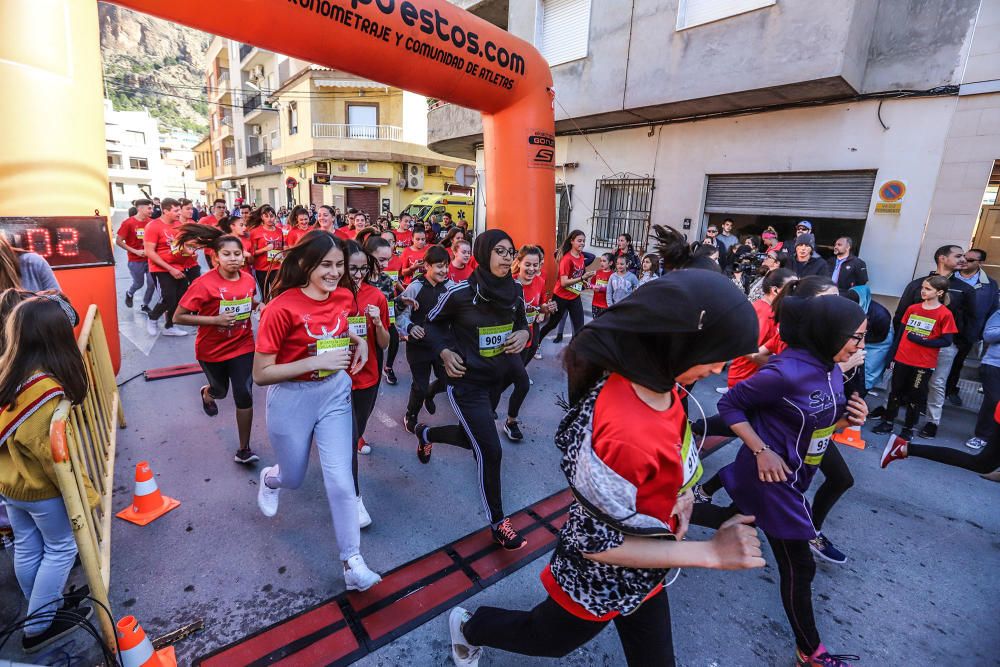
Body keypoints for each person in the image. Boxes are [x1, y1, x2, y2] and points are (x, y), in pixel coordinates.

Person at [447, 269, 765, 667]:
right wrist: (711, 553)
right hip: (597, 578)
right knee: (547, 639)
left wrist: (681, 495)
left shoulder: (661, 386)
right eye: (717, 355)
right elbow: (600, 546)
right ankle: (468, 627)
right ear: (679, 341)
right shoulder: (623, 428)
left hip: (649, 560)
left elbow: (670, 455)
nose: (720, 369)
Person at [692, 294, 868, 667]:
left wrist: (848, 420)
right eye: (856, 337)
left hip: (796, 473)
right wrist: (760, 450)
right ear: (829, 332)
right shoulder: (784, 371)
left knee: (735, 520)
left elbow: (816, 424)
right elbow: (729, 406)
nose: (860, 347)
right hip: (773, 480)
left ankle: (656, 511)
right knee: (799, 566)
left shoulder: (831, 368)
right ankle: (811, 652)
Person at [252, 231, 381, 592]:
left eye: (339, 265)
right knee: (294, 476)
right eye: (326, 265)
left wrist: (360, 344)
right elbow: (261, 374)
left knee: (341, 480)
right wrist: (315, 360)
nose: (334, 273)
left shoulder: (343, 297)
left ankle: (351, 561)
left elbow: (342, 329)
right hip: (291, 398)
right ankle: (270, 479)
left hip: (335, 393)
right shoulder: (281, 308)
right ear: (306, 264)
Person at [415, 230, 532, 550]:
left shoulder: (515, 292)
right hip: (466, 383)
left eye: (511, 252)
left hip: (496, 381)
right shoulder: (460, 293)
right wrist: (444, 351)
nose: (507, 258)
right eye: (500, 251)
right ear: (483, 253)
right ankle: (498, 523)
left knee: (471, 440)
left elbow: (523, 323)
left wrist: (523, 334)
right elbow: (431, 323)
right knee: (491, 451)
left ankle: (425, 435)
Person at [0, 292, 97, 652]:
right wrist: (85, 496)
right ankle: (39, 627)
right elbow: (50, 455)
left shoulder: (9, 368)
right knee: (61, 548)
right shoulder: (44, 389)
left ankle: (42, 608)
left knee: (28, 545)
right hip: (40, 488)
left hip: (11, 484)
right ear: (55, 337)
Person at [173, 225, 260, 464]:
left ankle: (244, 449)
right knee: (221, 392)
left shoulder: (249, 279)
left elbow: (248, 300)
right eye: (227, 254)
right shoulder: (203, 284)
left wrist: (258, 307)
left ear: (244, 256)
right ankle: (207, 393)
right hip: (211, 350)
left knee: (244, 393)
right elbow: (178, 317)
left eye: (237, 254)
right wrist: (215, 320)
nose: (233, 258)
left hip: (243, 344)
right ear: (215, 258)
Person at [891, 245, 976, 438]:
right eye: (958, 255)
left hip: (944, 346)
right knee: (898, 379)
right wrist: (901, 341)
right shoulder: (918, 284)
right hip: (911, 344)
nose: (964, 259)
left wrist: (960, 344)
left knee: (937, 383)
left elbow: (971, 319)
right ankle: (890, 415)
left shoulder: (965, 290)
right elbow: (901, 314)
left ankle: (932, 422)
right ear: (942, 258)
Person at [873, 275, 957, 440]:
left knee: (915, 395)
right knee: (895, 392)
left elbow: (947, 341)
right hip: (903, 358)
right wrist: (892, 356)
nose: (923, 291)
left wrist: (922, 341)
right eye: (922, 288)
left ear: (939, 292)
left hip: (923, 363)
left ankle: (908, 427)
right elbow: (901, 334)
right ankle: (888, 421)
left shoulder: (945, 314)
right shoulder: (912, 308)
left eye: (928, 289)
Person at [343, 240, 389, 524]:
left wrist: (380, 324)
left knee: (354, 433)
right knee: (347, 442)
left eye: (363, 269)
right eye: (352, 269)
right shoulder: (329, 296)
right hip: (335, 380)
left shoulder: (377, 297)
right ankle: (355, 500)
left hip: (368, 378)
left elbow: (383, 343)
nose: (358, 275)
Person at [397, 246, 452, 433]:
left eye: (446, 266)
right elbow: (399, 316)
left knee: (448, 381)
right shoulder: (415, 287)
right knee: (419, 386)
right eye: (439, 266)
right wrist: (411, 327)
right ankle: (410, 415)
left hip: (442, 346)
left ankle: (430, 393)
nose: (444, 271)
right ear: (427, 266)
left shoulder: (450, 287)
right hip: (418, 346)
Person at [724, 269, 796, 389]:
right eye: (792, 287)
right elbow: (749, 351)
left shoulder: (770, 309)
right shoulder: (764, 312)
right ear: (775, 290)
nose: (796, 291)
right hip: (747, 379)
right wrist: (782, 365)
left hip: (753, 378)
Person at [946, 247, 998, 407]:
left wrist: (982, 332)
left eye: (970, 260)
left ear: (981, 263)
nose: (964, 262)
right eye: (963, 258)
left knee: (957, 362)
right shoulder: (947, 277)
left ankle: (951, 389)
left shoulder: (989, 284)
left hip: (968, 331)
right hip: (944, 328)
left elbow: (992, 309)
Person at [144, 198, 199, 337]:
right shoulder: (153, 226)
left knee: (179, 298)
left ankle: (169, 326)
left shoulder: (179, 226)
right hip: (161, 269)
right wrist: (170, 269)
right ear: (165, 211)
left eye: (180, 210)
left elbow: (182, 246)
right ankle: (152, 317)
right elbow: (149, 252)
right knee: (167, 297)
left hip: (180, 266)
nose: (179, 213)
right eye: (176, 210)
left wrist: (190, 253)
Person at [537, 230, 593, 345]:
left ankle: (573, 352)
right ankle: (536, 343)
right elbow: (563, 282)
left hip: (574, 296)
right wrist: (582, 278)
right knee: (552, 324)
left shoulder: (581, 256)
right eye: (579, 241)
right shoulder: (566, 259)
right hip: (560, 297)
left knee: (579, 327)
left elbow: (576, 275)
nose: (582, 243)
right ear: (572, 241)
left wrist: (583, 283)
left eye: (583, 241)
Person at [116, 198, 156, 312]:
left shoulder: (152, 222)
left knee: (152, 283)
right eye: (149, 208)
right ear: (140, 208)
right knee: (139, 283)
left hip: (150, 259)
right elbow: (118, 241)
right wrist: (135, 251)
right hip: (135, 260)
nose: (151, 210)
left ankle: (145, 305)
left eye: (152, 208)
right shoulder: (128, 223)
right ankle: (129, 293)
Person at [248, 204, 284, 298]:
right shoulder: (255, 232)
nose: (270, 219)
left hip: (276, 267)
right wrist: (265, 249)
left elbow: (282, 248)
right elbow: (253, 253)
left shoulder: (279, 231)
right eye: (266, 216)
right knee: (264, 295)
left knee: (276, 293)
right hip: (261, 269)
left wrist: (282, 255)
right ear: (262, 217)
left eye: (272, 216)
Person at [589, 253, 613, 318]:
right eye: (600, 261)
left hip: (606, 305)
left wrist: (601, 289)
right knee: (595, 323)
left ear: (610, 263)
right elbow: (591, 283)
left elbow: (612, 289)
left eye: (604, 261)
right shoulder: (597, 272)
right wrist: (592, 286)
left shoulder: (613, 275)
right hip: (595, 303)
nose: (601, 263)